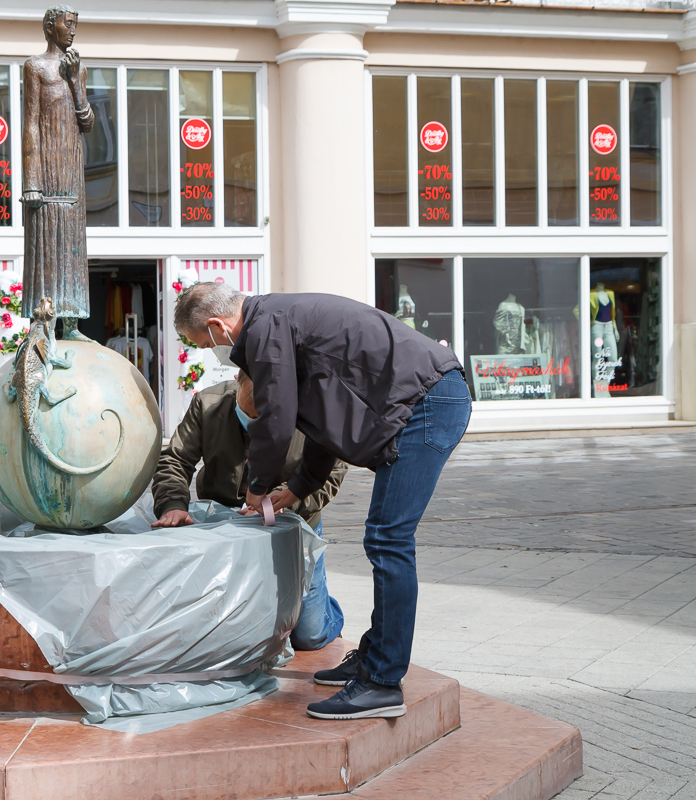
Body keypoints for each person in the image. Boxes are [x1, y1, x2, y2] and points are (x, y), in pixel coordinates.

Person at [174, 283, 471, 721]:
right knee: (385, 537)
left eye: (205, 343)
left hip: (427, 402)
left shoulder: (265, 330)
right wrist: (297, 487)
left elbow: (276, 423)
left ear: (218, 326)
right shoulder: (277, 322)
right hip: (423, 398)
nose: (214, 352)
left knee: (389, 539)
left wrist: (257, 488)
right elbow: (320, 421)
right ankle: (374, 658)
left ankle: (383, 683)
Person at [151, 372, 348, 651]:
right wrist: (172, 504)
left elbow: (331, 473)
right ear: (238, 379)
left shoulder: (314, 411)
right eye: (246, 415)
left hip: (291, 523)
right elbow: (175, 459)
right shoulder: (209, 403)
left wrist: (279, 503)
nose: (252, 426)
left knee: (309, 635)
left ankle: (328, 611)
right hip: (225, 527)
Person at [20, 5, 94, 341]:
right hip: (46, 169)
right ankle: (44, 323)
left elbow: (88, 122)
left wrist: (76, 80)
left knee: (73, 246)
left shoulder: (78, 67)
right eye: (68, 24)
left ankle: (73, 323)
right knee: (47, 246)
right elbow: (30, 125)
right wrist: (31, 181)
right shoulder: (35, 67)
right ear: (51, 28)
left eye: (75, 24)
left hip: (72, 168)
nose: (73, 30)